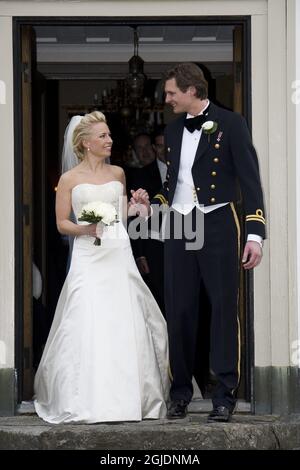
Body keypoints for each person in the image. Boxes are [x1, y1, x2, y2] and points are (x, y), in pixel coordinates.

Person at [131, 63, 266, 423]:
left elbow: (251, 182)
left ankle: (224, 396)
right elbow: (171, 186)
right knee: (179, 310)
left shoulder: (231, 123)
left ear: (192, 90)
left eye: (172, 92)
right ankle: (180, 394)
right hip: (178, 224)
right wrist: (151, 206)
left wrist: (255, 234)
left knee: (223, 309)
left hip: (219, 221)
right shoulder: (173, 130)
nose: (167, 98)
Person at [34, 111, 169, 424]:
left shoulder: (119, 173)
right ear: (85, 143)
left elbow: (122, 213)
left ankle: (130, 398)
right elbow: (61, 223)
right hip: (88, 254)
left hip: (118, 250)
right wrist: (85, 229)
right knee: (86, 315)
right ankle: (86, 398)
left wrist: (139, 204)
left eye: (109, 135)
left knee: (124, 316)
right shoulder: (69, 180)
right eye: (103, 136)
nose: (110, 140)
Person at [126, 132, 166, 313]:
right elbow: (134, 217)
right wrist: (139, 253)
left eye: (147, 147)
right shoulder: (139, 175)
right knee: (157, 297)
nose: (145, 152)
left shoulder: (183, 170)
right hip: (152, 246)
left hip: (183, 241)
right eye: (139, 149)